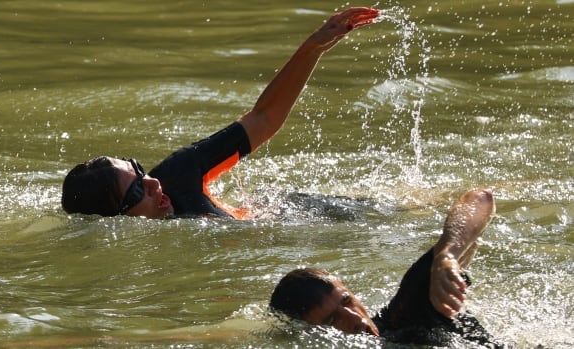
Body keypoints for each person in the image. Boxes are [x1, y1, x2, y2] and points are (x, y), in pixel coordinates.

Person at [61, 7, 380, 219]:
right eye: (136, 191)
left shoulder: (179, 174)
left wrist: (313, 46)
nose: (153, 184)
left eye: (139, 170)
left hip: (315, 212)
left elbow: (263, 118)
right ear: (115, 219)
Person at [269, 188, 504, 348]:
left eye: (346, 301)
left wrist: (446, 255)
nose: (355, 319)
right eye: (332, 320)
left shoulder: (405, 315)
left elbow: (480, 199)